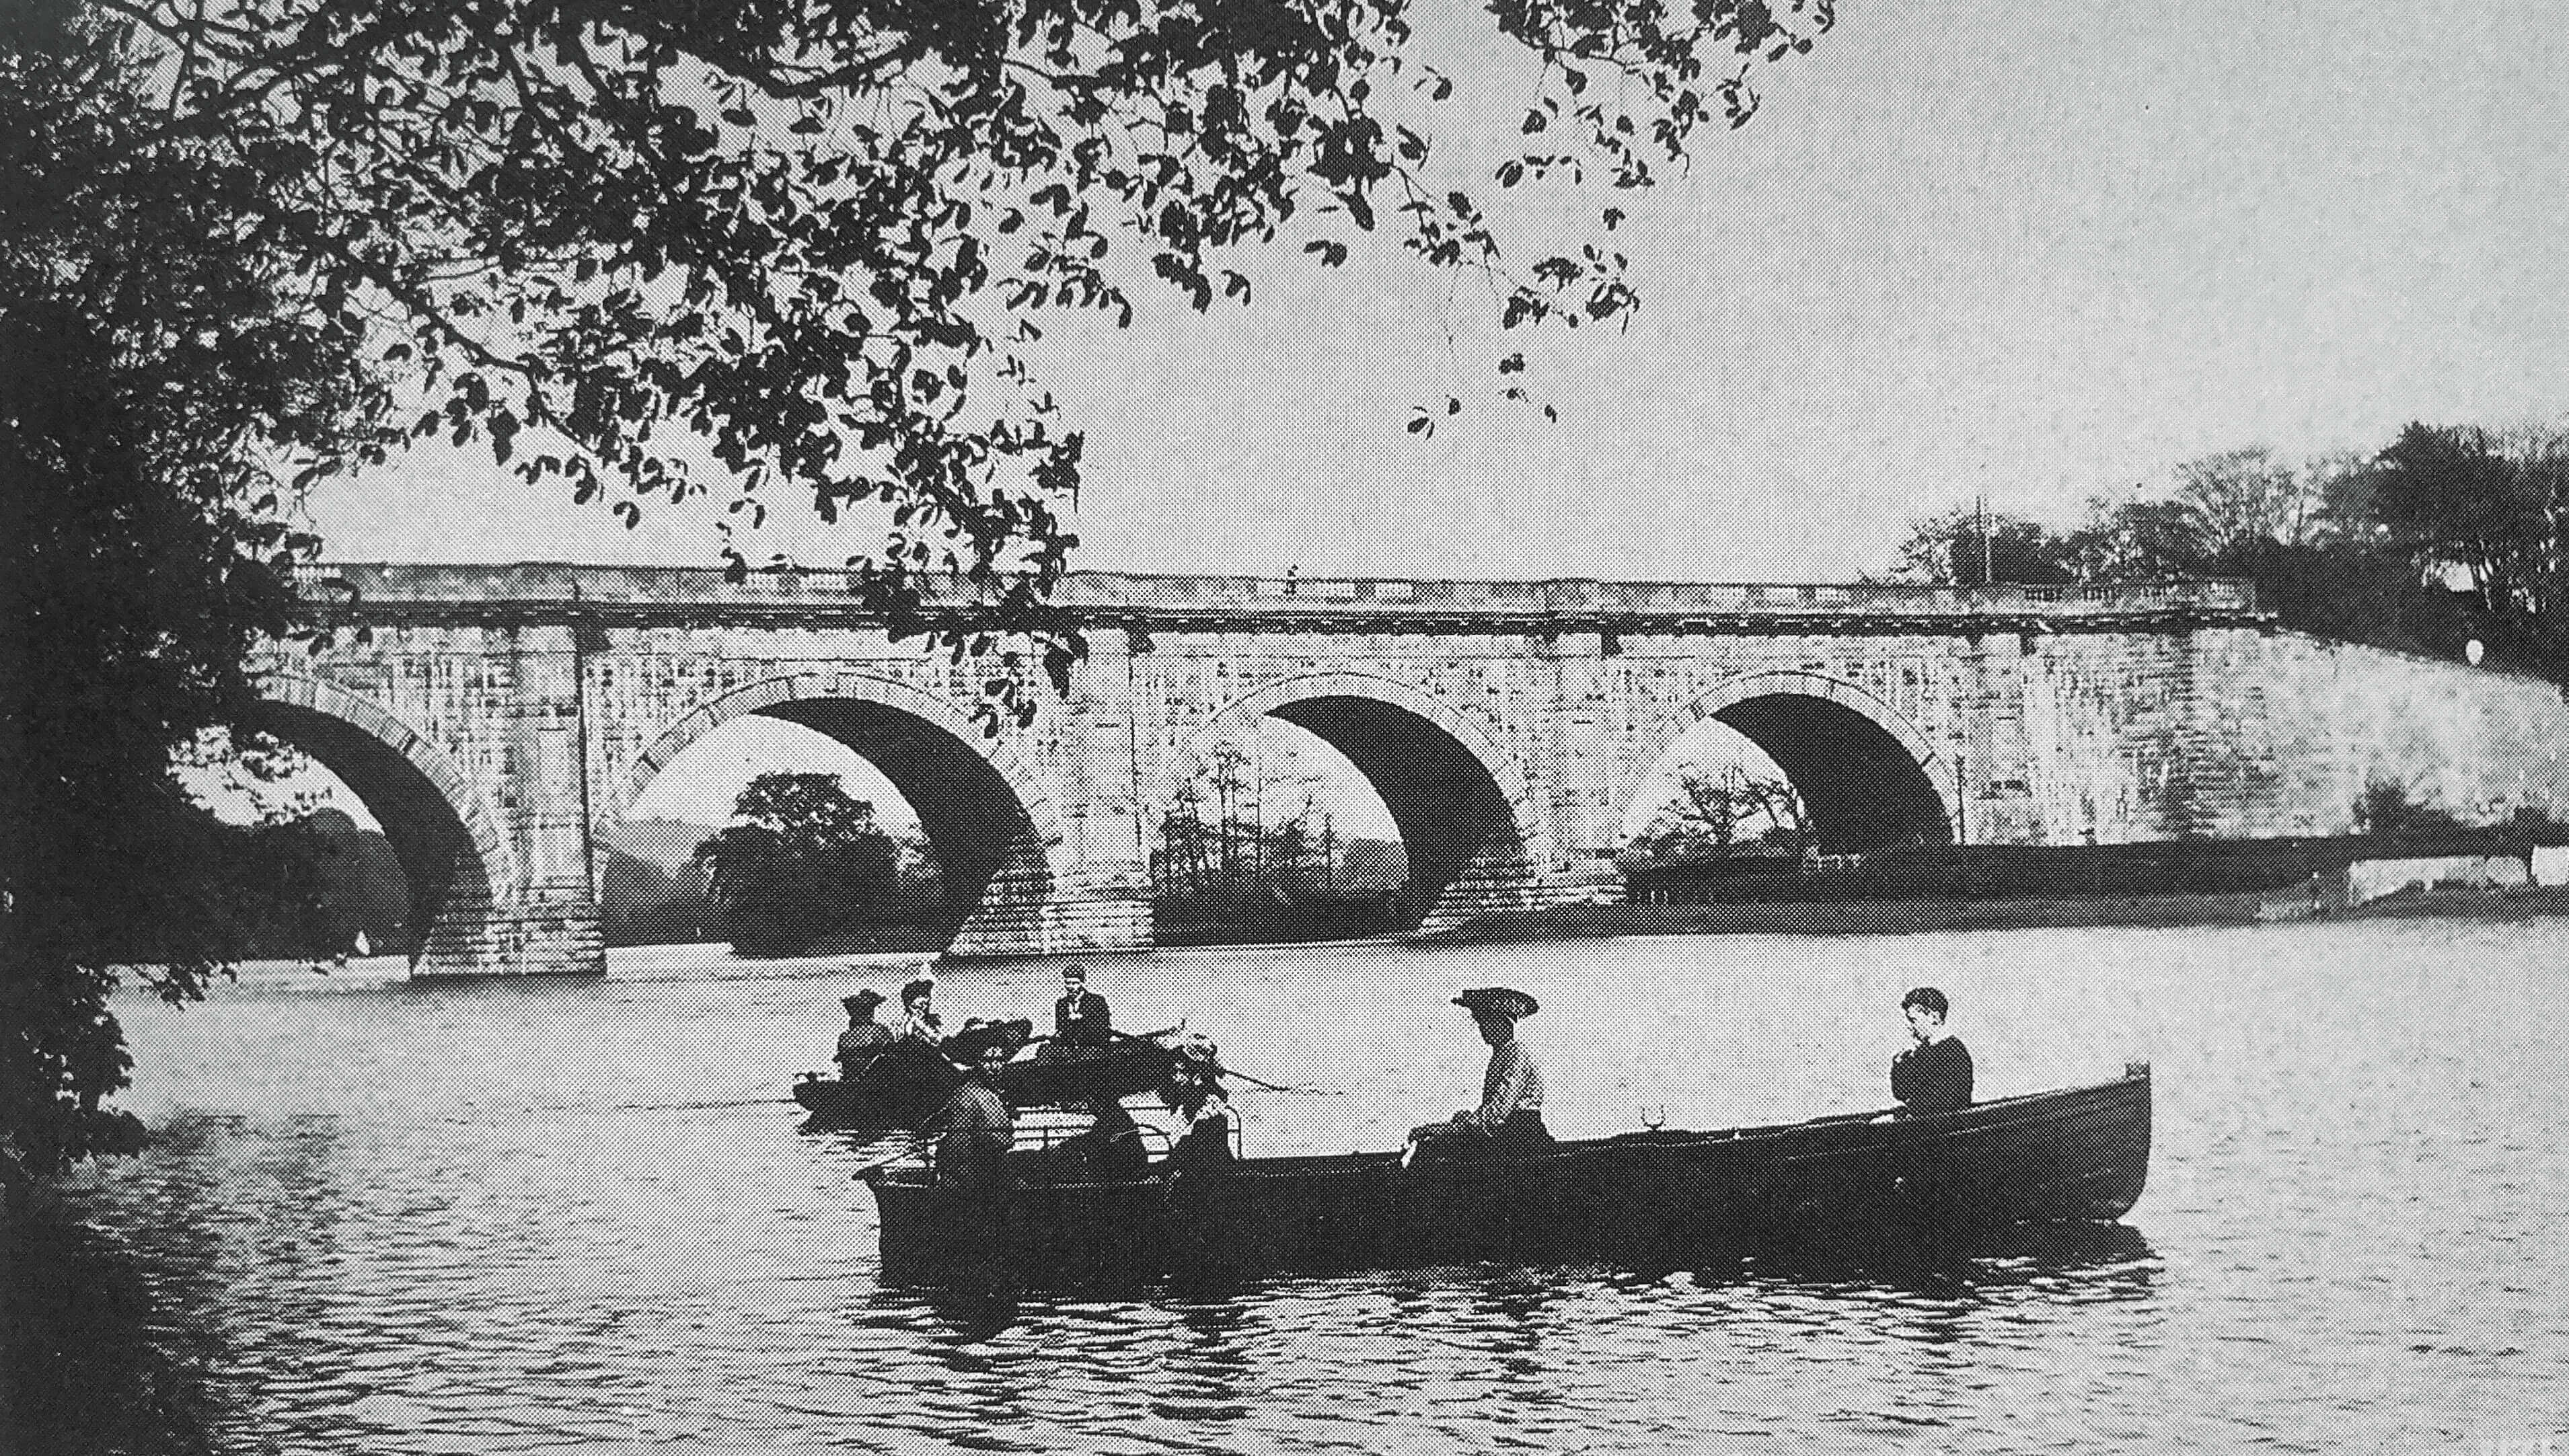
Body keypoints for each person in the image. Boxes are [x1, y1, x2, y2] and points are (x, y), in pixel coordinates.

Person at [932, 1022, 1022, 1192]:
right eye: (988, 1061)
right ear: (975, 1062)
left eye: (1000, 1060)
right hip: (978, 1185)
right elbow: (958, 1154)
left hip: (995, 1174)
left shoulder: (993, 1095)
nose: (995, 1067)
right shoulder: (966, 1098)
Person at [1890, 986, 1974, 1116]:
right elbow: (1900, 1094)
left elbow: (1943, 1102)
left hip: (1944, 1128)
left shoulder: (1953, 1052)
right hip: (1926, 1124)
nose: (1908, 1026)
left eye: (1913, 1020)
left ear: (1934, 1018)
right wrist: (1900, 1064)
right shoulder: (1920, 1052)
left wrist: (1903, 1115)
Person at [1157, 1036, 1236, 1175]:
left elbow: (1186, 1151)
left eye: (1181, 1072)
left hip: (1206, 1176)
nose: (1176, 1078)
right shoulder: (1197, 1104)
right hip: (1205, 1172)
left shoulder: (1208, 1111)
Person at [1049, 1095, 1150, 1182]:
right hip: (1127, 1163)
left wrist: (1072, 1143)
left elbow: (1099, 1139)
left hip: (1125, 1166)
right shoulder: (1112, 1116)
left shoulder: (1113, 1117)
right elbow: (1096, 1137)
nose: (1090, 1107)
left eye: (1091, 1103)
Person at [1051, 961, 1113, 1050]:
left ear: (1082, 983)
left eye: (1074, 983)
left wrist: (1080, 1020)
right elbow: (1060, 1029)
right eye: (1067, 983)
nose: (1070, 987)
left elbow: (1103, 1029)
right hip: (1070, 1050)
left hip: (1094, 1048)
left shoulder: (1096, 1001)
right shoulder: (1061, 1004)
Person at [834, 989, 893, 1079]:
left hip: (876, 1079)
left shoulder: (879, 1031)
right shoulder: (846, 1036)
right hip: (858, 1079)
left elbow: (889, 1054)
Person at [893, 972, 943, 1044]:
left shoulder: (930, 1021)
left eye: (926, 1005)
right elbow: (897, 1039)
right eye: (919, 1007)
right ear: (909, 1004)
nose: (924, 1008)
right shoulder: (900, 1022)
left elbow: (938, 1039)